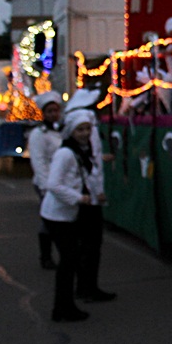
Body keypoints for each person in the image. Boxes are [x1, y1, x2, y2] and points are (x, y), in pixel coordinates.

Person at [41, 109, 108, 322]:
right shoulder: (66, 153)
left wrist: (96, 194)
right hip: (57, 215)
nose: (85, 133)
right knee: (68, 260)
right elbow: (53, 184)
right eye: (80, 129)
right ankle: (62, 308)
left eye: (88, 128)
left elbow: (85, 175)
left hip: (68, 214)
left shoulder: (81, 151)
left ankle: (66, 305)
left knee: (72, 259)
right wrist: (78, 197)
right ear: (71, 131)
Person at [27, 90, 63, 270]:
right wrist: (46, 186)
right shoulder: (39, 134)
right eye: (49, 111)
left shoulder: (62, 130)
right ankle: (46, 256)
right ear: (43, 113)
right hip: (47, 183)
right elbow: (38, 161)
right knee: (48, 219)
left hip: (63, 183)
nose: (53, 114)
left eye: (56, 110)